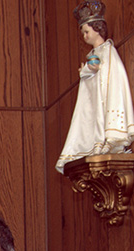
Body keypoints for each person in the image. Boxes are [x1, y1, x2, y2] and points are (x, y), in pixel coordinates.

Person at [56, 0, 134, 173]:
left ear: (97, 28)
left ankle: (111, 139)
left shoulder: (107, 50)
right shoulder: (94, 53)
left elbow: (111, 75)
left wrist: (94, 69)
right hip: (94, 101)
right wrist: (87, 71)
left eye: (86, 31)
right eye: (83, 33)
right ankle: (94, 142)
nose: (84, 36)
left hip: (105, 97)